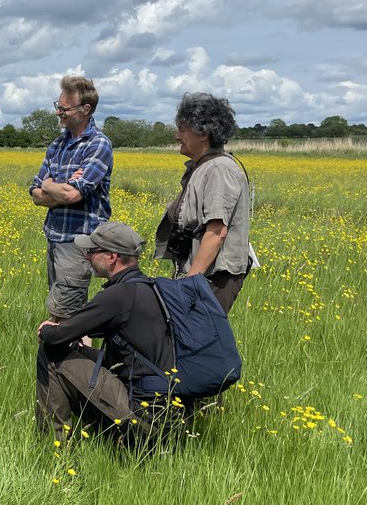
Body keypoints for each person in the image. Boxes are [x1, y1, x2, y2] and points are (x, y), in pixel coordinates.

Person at [36, 221, 176, 446]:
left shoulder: (118, 296)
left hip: (145, 417)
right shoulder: (148, 288)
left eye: (92, 251)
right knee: (78, 350)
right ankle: (102, 432)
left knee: (51, 354)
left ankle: (53, 446)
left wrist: (47, 330)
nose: (88, 256)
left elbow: (56, 336)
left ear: (111, 257)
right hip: (169, 411)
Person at [154, 92, 252, 314]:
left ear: (203, 133)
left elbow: (217, 231)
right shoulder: (203, 166)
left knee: (200, 340)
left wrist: (190, 282)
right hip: (201, 274)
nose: (177, 136)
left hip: (213, 277)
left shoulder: (219, 169)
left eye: (182, 129)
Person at [29, 75, 112, 322]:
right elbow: (35, 193)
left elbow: (74, 193)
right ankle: (67, 360)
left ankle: (76, 360)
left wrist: (51, 185)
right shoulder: (58, 144)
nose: (58, 113)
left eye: (64, 108)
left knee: (68, 316)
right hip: (54, 236)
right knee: (63, 312)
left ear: (85, 109)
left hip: (77, 242)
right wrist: (54, 188)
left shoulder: (98, 145)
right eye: (58, 106)